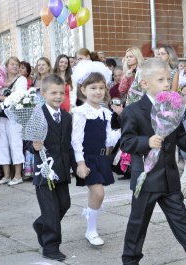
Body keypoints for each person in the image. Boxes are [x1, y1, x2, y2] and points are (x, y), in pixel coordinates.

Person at [120, 58, 186, 265]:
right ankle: (130, 261)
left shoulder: (170, 107)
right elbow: (126, 142)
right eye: (160, 79)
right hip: (147, 180)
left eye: (167, 79)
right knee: (138, 224)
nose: (166, 84)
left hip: (170, 179)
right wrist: (146, 141)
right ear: (145, 83)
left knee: (183, 222)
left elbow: (182, 137)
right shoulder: (133, 111)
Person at [27, 74, 75, 261]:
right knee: (51, 211)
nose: (58, 96)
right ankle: (51, 246)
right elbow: (28, 143)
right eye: (53, 92)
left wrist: (74, 166)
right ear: (44, 93)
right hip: (44, 171)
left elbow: (68, 144)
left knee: (64, 204)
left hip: (61, 170)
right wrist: (34, 146)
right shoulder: (37, 114)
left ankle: (41, 225)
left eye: (61, 93)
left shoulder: (66, 117)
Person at [71, 63, 120, 246]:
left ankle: (91, 223)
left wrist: (125, 128)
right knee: (98, 193)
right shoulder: (80, 112)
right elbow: (76, 140)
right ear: (83, 89)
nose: (98, 92)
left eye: (101, 88)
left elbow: (108, 140)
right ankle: (91, 230)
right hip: (87, 158)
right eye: (93, 88)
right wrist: (80, 163)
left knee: (98, 195)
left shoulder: (106, 113)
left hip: (101, 158)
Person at [0, 56, 27, 186]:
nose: (14, 66)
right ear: (6, 66)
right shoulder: (0, 80)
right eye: (11, 64)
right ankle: (7, 175)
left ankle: (18, 175)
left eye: (16, 64)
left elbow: (17, 96)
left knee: (15, 145)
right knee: (1, 145)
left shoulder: (21, 79)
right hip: (1, 116)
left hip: (14, 117)